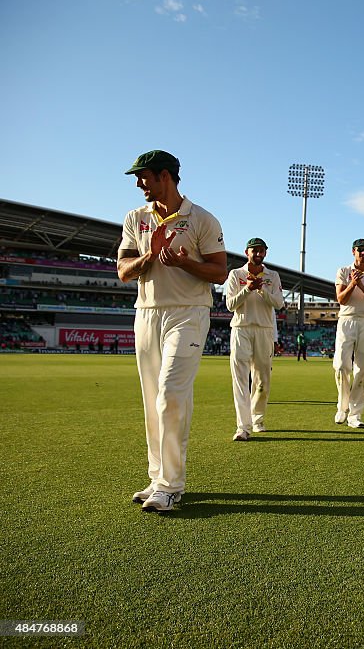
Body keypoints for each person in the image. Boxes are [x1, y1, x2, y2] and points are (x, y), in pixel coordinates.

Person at [117, 149, 227, 512]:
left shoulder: (202, 219)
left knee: (170, 392)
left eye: (143, 176)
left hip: (189, 312)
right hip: (147, 312)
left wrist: (185, 262)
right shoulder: (135, 218)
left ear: (165, 176)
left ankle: (170, 484)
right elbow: (123, 270)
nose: (138, 184)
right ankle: (157, 478)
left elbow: (219, 272)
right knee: (153, 399)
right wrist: (150, 257)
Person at [225, 237, 284, 441]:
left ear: (266, 253)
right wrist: (247, 289)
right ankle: (242, 426)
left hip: (264, 330)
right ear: (246, 252)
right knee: (240, 378)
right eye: (254, 250)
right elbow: (230, 305)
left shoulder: (272, 276)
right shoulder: (236, 274)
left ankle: (257, 419)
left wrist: (261, 289)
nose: (258, 253)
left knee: (262, 380)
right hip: (241, 329)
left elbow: (278, 303)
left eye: (262, 250)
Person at [333, 238, 364, 428]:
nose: (363, 253)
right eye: (360, 250)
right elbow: (341, 299)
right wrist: (352, 283)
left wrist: (361, 285)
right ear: (353, 251)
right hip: (346, 320)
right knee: (340, 366)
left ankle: (355, 414)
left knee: (363, 369)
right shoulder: (343, 271)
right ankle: (342, 406)